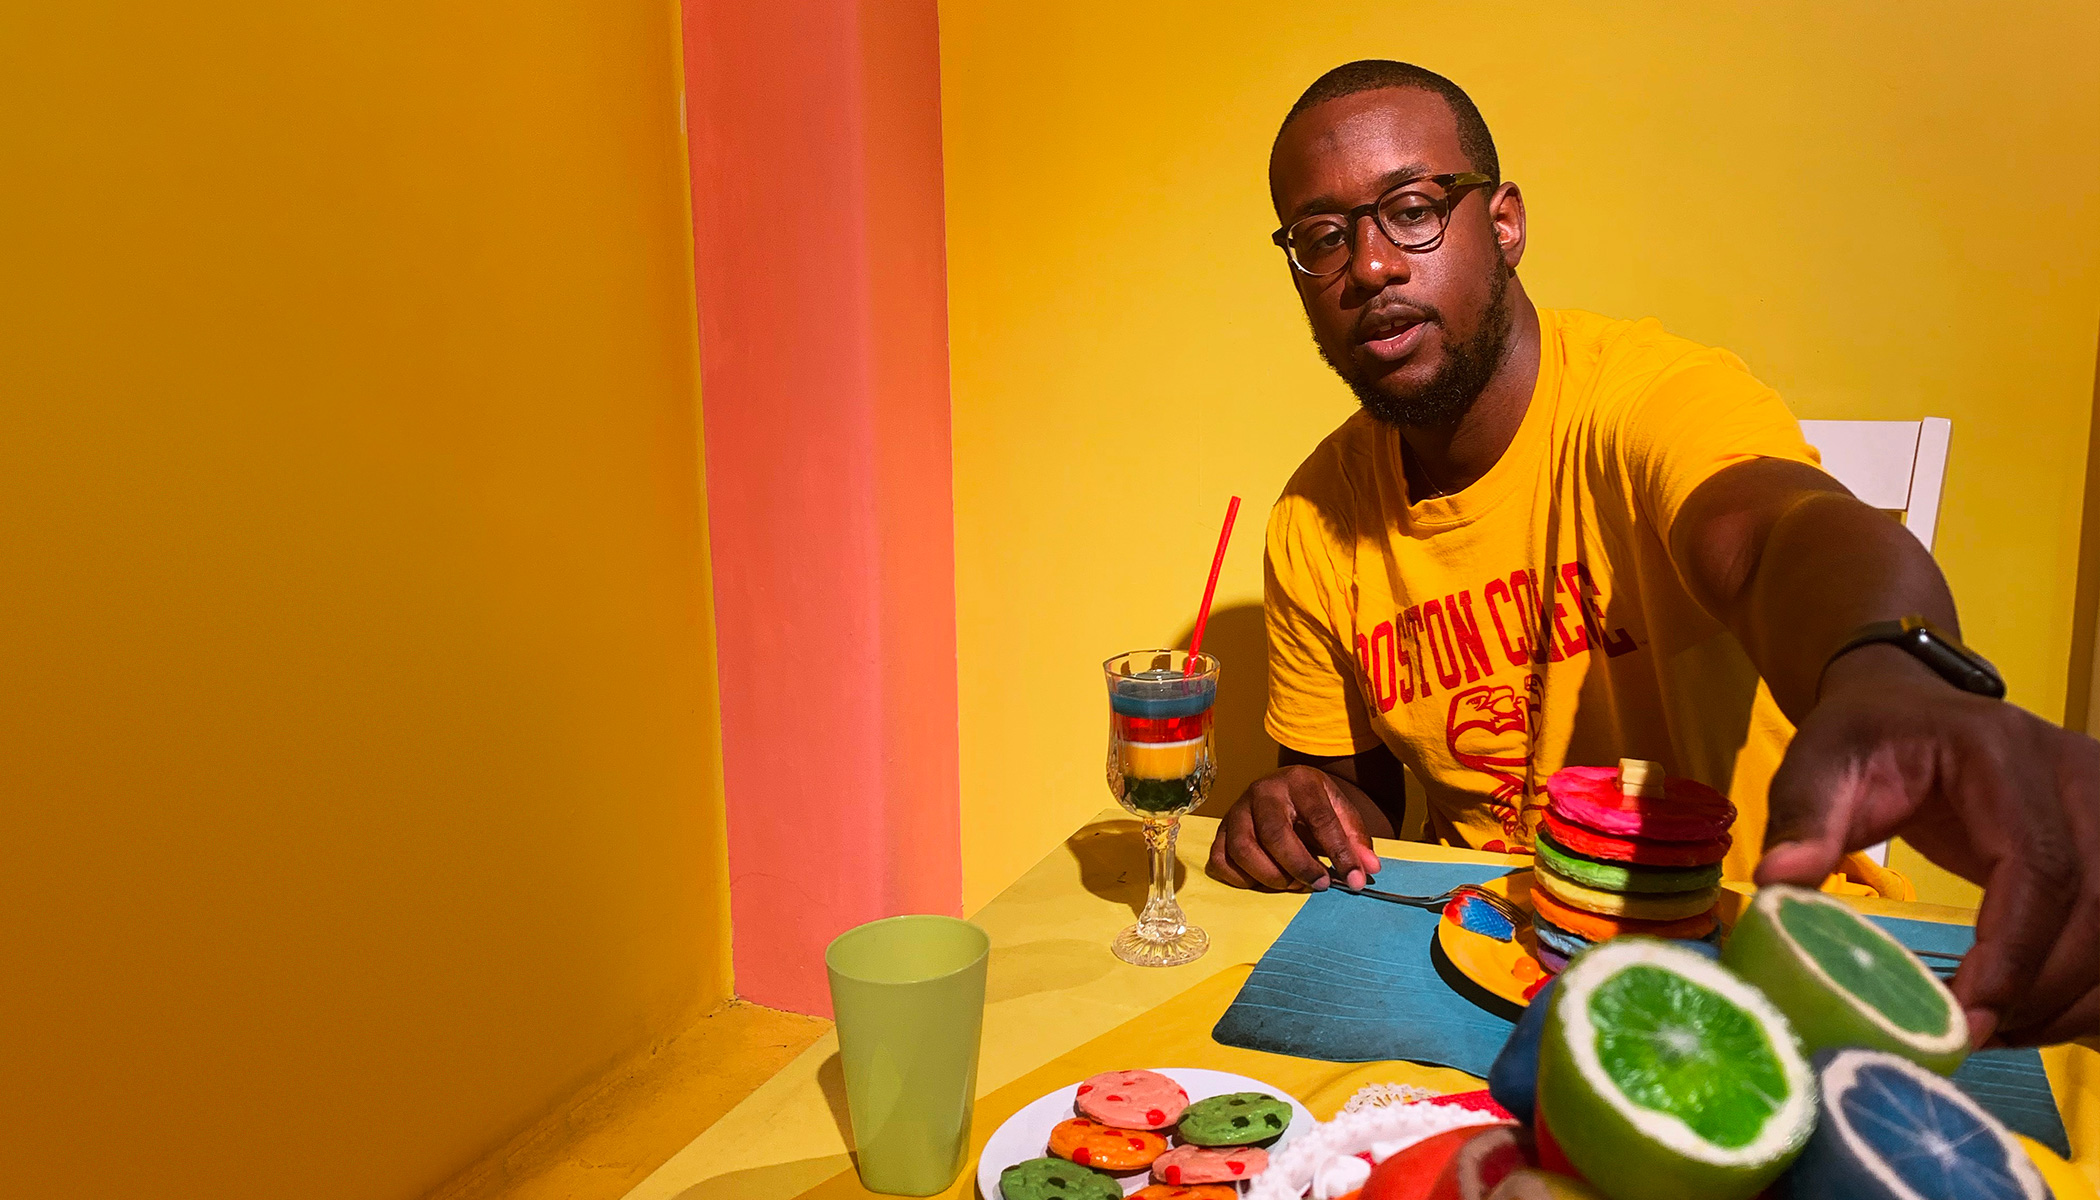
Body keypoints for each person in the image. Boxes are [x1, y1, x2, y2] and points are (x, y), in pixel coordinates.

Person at [1207, 59, 2100, 1048]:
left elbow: (1778, 529)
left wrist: (1896, 672)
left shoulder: (1648, 401)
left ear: (1503, 222)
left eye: (1413, 209)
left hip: (1760, 962)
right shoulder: (1312, 517)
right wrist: (1295, 812)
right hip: (1492, 967)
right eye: (1323, 238)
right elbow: (1360, 819)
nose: (1369, 266)